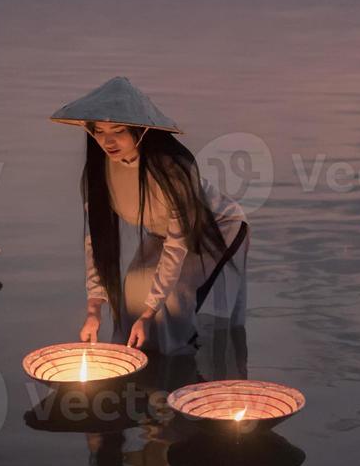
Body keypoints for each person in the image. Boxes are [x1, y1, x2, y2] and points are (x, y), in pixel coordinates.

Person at [49, 77, 248, 355]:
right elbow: (94, 239)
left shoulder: (172, 170)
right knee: (133, 290)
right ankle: (134, 366)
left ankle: (177, 375)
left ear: (140, 131)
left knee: (173, 302)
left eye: (118, 131)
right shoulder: (97, 172)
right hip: (160, 232)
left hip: (216, 228)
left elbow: (178, 245)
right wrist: (94, 307)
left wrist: (148, 314)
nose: (107, 141)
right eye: (99, 131)